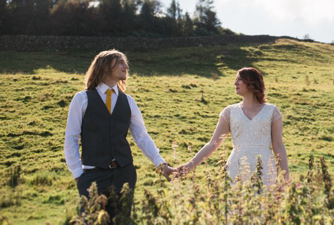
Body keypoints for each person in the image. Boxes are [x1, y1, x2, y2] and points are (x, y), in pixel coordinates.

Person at [64, 49, 174, 217]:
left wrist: (161, 164)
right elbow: (71, 138)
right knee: (91, 220)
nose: (126, 66)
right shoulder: (82, 99)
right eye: (121, 62)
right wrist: (78, 175)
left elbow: (142, 137)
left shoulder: (128, 101)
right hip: (92, 176)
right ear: (106, 66)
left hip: (124, 175)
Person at [178, 67, 289, 185]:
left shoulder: (272, 111)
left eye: (240, 80)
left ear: (251, 83)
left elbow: (278, 146)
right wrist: (189, 166)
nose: (235, 83)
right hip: (236, 168)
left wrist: (285, 176)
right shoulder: (229, 112)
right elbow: (213, 144)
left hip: (265, 168)